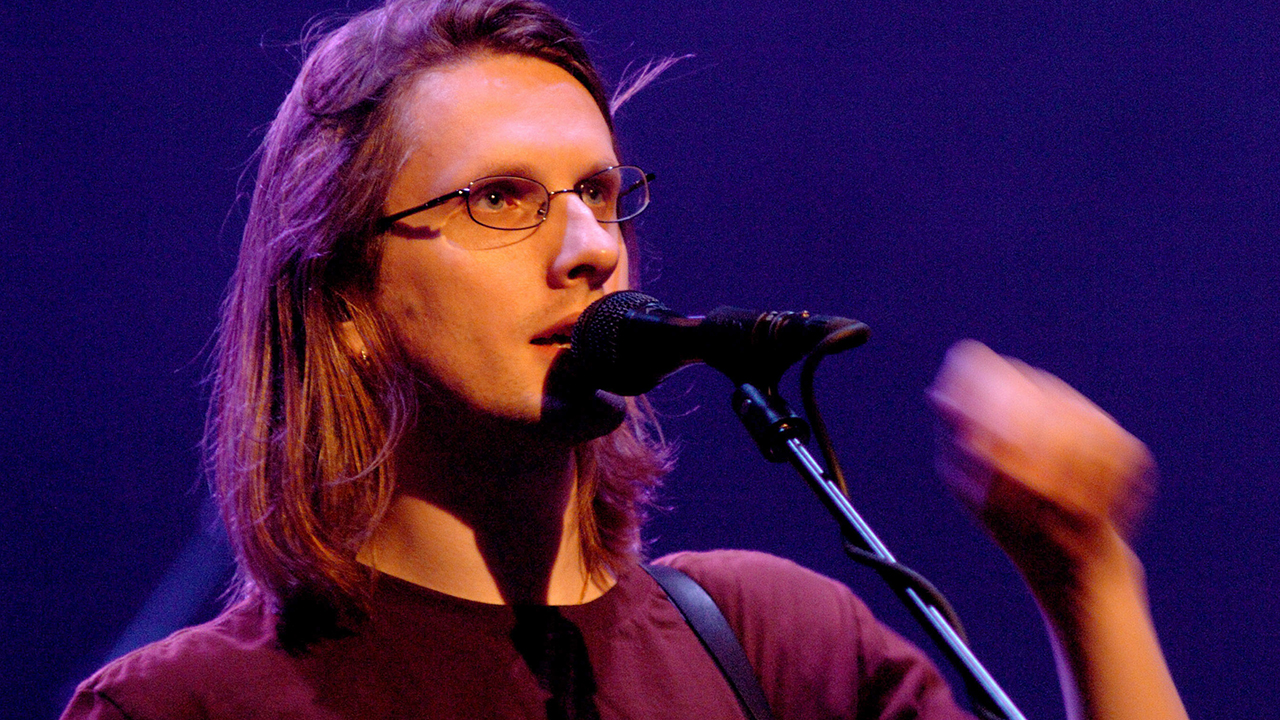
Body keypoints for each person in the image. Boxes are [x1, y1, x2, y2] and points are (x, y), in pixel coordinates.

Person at [61, 1, 1189, 718]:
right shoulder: (187, 708)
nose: (591, 248)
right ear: (346, 299)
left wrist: (1086, 577)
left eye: (598, 194)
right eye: (500, 199)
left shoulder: (780, 648)